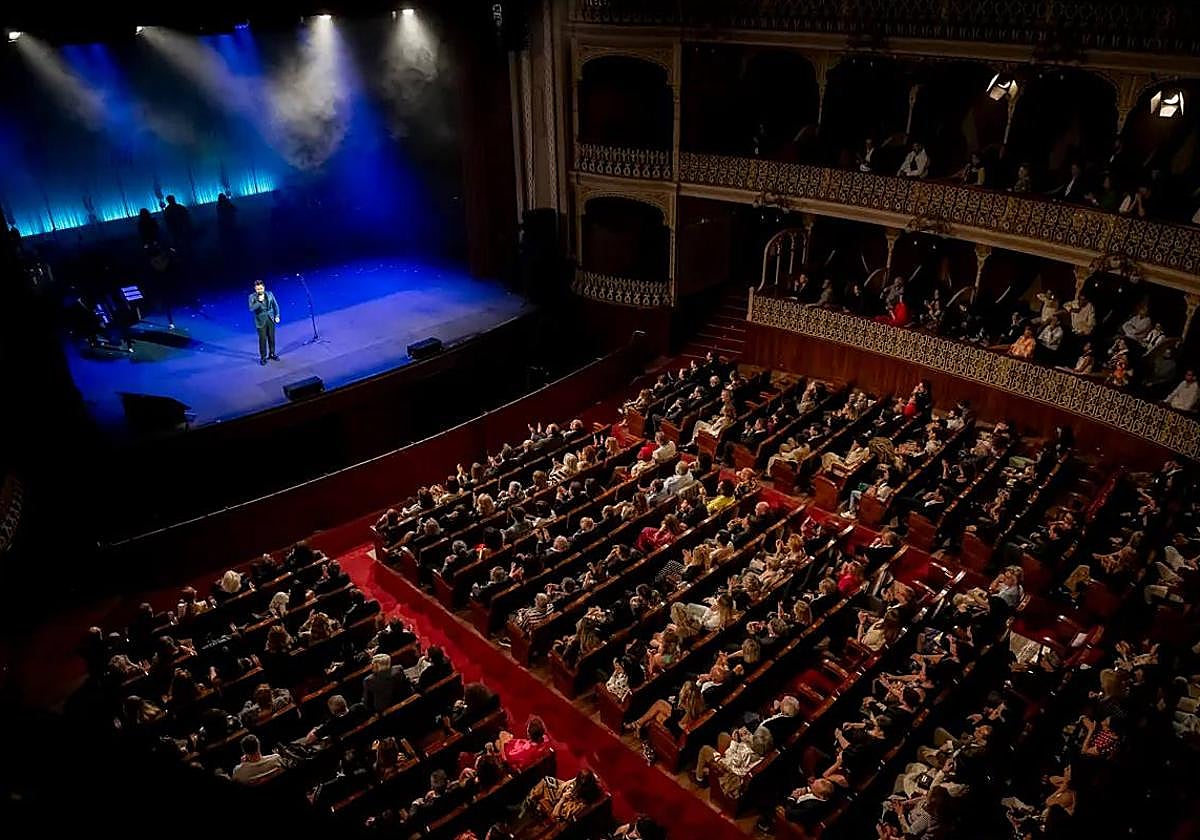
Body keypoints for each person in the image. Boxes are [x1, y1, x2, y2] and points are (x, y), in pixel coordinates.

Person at [248, 280, 281, 366]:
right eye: (258, 289)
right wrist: (258, 302)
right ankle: (263, 357)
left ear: (264, 287)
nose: (260, 290)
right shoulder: (252, 297)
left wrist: (277, 315)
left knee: (271, 337)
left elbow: (275, 305)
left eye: (261, 288)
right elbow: (251, 308)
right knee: (262, 339)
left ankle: (272, 353)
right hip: (260, 321)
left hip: (270, 318)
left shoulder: (269, 294)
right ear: (255, 289)